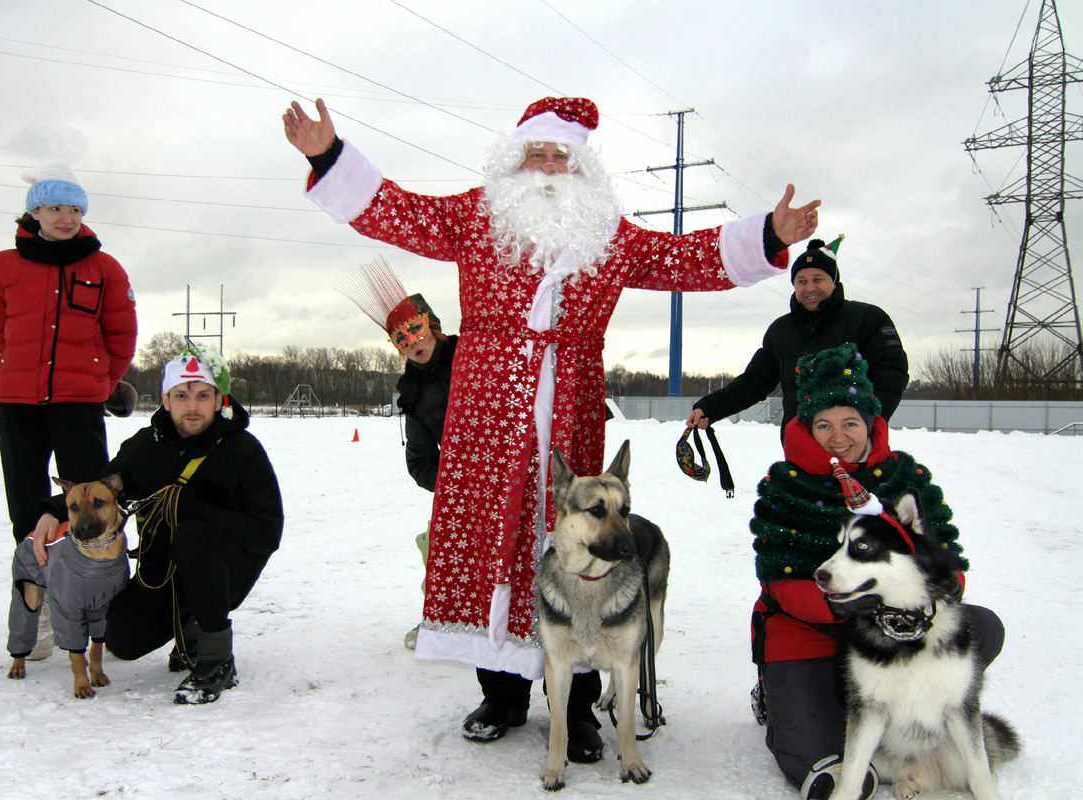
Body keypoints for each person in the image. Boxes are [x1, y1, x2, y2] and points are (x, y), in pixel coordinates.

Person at [283, 95, 820, 755]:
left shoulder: (610, 238)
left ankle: (577, 709)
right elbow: (400, 211)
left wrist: (770, 234)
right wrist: (328, 156)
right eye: (533, 152)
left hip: (570, 408)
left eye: (558, 154)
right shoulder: (474, 218)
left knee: (574, 554)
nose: (545, 165)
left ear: (582, 166)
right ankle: (501, 695)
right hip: (486, 413)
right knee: (491, 546)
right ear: (512, 160)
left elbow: (686, 258)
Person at [747, 343, 1003, 800]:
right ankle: (782, 699)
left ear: (870, 424)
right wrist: (846, 605)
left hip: (898, 628)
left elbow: (949, 564)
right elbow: (779, 582)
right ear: (807, 427)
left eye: (850, 423)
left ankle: (919, 707)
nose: (838, 436)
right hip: (810, 632)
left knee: (979, 625)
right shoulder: (784, 486)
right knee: (821, 758)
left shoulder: (906, 477)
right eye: (823, 425)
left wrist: (920, 596)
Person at [31, 346, 283, 705]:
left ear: (218, 399)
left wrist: (196, 507)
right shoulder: (146, 445)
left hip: (225, 570)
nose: (192, 406)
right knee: (121, 638)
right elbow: (102, 486)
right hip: (162, 573)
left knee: (192, 534)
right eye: (182, 396)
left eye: (202, 395)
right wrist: (52, 511)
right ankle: (188, 629)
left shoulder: (243, 450)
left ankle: (216, 661)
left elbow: (267, 533)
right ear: (166, 400)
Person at [0, 163, 138, 545]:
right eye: (55, 209)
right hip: (17, 402)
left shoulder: (104, 267)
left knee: (88, 499)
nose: (66, 218)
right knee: (24, 498)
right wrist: (22, 365)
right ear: (34, 212)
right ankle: (35, 579)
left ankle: (87, 578)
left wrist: (102, 381)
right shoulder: (3, 266)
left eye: (75, 210)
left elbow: (122, 334)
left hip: (79, 402)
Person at [337, 256, 456, 648]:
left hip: (512, 469)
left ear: (432, 325)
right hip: (462, 485)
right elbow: (420, 460)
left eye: (416, 331)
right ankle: (444, 616)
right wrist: (455, 483)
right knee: (437, 543)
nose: (412, 343)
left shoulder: (471, 356)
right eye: (401, 340)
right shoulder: (413, 393)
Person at [686, 237, 907, 436]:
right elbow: (754, 383)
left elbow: (892, 373)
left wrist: (868, 424)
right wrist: (709, 407)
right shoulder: (781, 330)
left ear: (834, 282)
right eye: (801, 281)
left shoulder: (867, 318)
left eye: (818, 279)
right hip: (799, 450)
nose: (810, 287)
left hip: (855, 448)